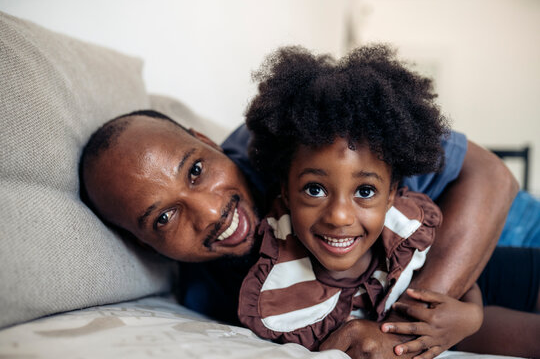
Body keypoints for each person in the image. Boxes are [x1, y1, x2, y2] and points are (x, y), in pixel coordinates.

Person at [79, 52, 535, 358]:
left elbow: (493, 176)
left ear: (205, 142)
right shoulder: (218, 295)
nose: (210, 212)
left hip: (497, 224)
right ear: (140, 242)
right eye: (163, 217)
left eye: (196, 170)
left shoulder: (300, 136)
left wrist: (401, 327)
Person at [238, 44, 538, 358]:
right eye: (315, 189)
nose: (339, 216)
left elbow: (456, 270)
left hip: (487, 265)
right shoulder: (276, 282)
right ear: (284, 191)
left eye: (364, 191)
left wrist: (472, 316)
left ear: (393, 193)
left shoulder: (405, 224)